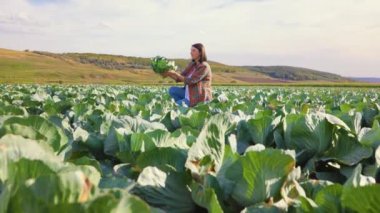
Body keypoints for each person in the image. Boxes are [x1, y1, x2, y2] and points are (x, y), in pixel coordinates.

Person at [161, 43, 212, 107]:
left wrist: (174, 73)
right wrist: (168, 73)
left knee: (176, 106)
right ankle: (185, 106)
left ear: (200, 52)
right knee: (172, 90)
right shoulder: (192, 65)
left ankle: (186, 105)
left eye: (193, 50)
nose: (191, 53)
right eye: (191, 51)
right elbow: (180, 78)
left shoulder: (204, 66)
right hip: (188, 94)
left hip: (198, 97)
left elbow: (191, 81)